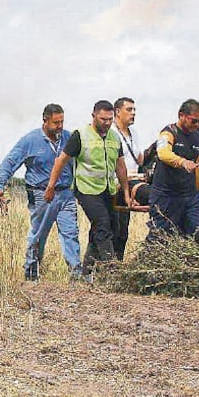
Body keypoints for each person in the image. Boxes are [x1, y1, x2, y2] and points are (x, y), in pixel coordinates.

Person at [0, 104, 81, 281]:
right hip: (41, 194)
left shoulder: (68, 138)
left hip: (65, 193)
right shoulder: (30, 141)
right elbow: (10, 162)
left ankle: (76, 273)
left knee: (70, 232)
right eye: (56, 122)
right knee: (39, 233)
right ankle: (32, 271)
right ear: (45, 121)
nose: (60, 126)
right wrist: (0, 185)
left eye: (62, 122)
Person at [45, 100, 130, 278]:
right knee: (102, 225)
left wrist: (127, 193)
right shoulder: (80, 135)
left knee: (110, 227)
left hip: (107, 190)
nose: (106, 123)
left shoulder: (115, 138)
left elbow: (120, 167)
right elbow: (60, 161)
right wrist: (51, 186)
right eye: (102, 119)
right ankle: (110, 271)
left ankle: (86, 272)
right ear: (93, 116)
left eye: (109, 119)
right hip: (86, 190)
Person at [146, 99, 199, 243]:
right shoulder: (168, 133)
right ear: (181, 115)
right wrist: (181, 162)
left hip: (190, 195)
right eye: (194, 121)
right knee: (160, 239)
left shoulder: (197, 137)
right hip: (165, 195)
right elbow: (163, 153)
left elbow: (196, 167)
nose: (197, 125)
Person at [112, 97, 147, 260]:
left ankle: (116, 267)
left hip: (133, 181)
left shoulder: (134, 133)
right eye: (129, 109)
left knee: (123, 232)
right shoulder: (110, 133)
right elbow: (113, 165)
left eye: (134, 110)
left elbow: (139, 159)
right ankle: (103, 270)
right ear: (117, 112)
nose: (133, 113)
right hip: (116, 184)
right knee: (113, 230)